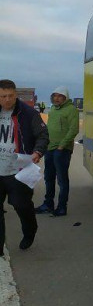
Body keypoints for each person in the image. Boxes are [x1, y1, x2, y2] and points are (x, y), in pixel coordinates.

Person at [0, 79, 48, 253]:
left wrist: (37, 152)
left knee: (21, 206)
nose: (7, 100)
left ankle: (29, 231)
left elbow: (43, 135)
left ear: (16, 95)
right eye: (3, 96)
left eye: (10, 96)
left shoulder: (28, 113)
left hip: (18, 171)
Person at [35, 86, 78, 218]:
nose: (56, 98)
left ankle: (61, 207)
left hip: (62, 150)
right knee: (48, 177)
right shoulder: (52, 109)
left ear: (65, 97)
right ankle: (48, 204)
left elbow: (74, 129)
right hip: (50, 148)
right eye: (54, 96)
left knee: (62, 180)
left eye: (60, 96)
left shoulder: (71, 110)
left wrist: (62, 145)